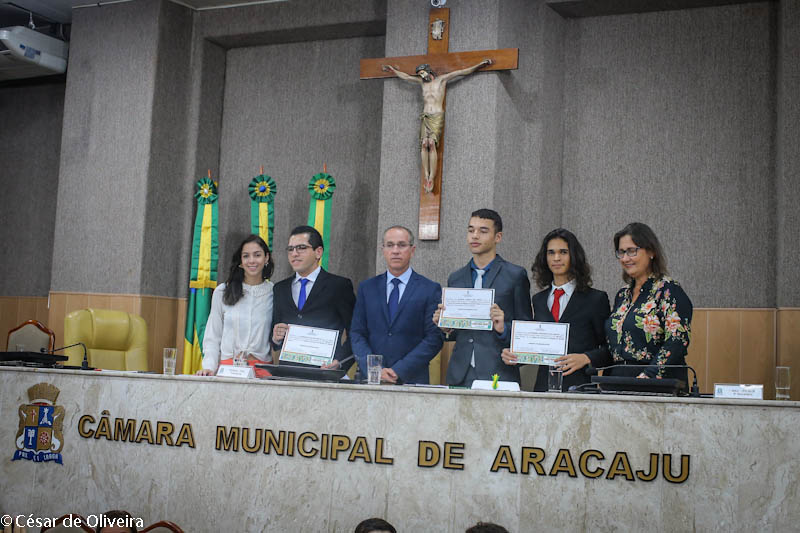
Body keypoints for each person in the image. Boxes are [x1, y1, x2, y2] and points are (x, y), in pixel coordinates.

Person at [500, 228, 611, 391]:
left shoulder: (595, 299)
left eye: (563, 252)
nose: (556, 258)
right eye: (551, 253)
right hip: (542, 389)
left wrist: (586, 357)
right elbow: (537, 348)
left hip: (581, 388)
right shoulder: (538, 300)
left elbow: (610, 349)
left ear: (574, 256)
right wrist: (515, 355)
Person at [433, 209, 532, 387]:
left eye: (483, 231)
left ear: (498, 237)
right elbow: (458, 331)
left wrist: (503, 329)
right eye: (471, 230)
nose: (475, 236)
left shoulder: (515, 275)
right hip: (459, 373)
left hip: (498, 372)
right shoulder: (456, 278)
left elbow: (526, 327)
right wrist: (446, 327)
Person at [350, 225, 443, 384]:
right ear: (383, 250)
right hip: (371, 379)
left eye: (401, 245)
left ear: (412, 250)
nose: (395, 250)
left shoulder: (429, 289)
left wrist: (398, 370)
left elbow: (434, 338)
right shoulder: (367, 288)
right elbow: (357, 333)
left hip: (412, 379)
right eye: (390, 245)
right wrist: (374, 369)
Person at [383, 60, 492, 193]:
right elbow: (406, 77)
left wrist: (479, 65)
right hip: (425, 116)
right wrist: (393, 71)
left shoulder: (441, 80)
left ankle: (431, 177)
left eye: (423, 73)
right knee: (424, 144)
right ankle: (426, 175)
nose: (422, 76)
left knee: (431, 144)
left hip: (436, 116)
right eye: (420, 74)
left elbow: (462, 72)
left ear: (429, 71)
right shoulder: (421, 83)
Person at [605, 222, 693, 382]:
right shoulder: (622, 295)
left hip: (656, 383)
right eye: (621, 252)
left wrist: (649, 376)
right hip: (618, 381)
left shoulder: (668, 290)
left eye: (632, 251)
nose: (625, 258)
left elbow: (677, 340)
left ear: (651, 251)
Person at [271, 225, 356, 370]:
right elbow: (274, 334)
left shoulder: (339, 286)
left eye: (301, 248)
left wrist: (340, 361)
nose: (294, 253)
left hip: (324, 373)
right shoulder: (280, 288)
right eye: (290, 249)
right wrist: (275, 338)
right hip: (289, 374)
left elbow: (355, 331)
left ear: (318, 252)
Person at [196, 234, 274, 377]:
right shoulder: (223, 291)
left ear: (266, 258)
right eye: (246, 256)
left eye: (257, 255)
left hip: (262, 373)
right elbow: (213, 335)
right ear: (240, 261)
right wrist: (209, 367)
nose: (251, 261)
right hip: (228, 371)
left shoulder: (274, 293)